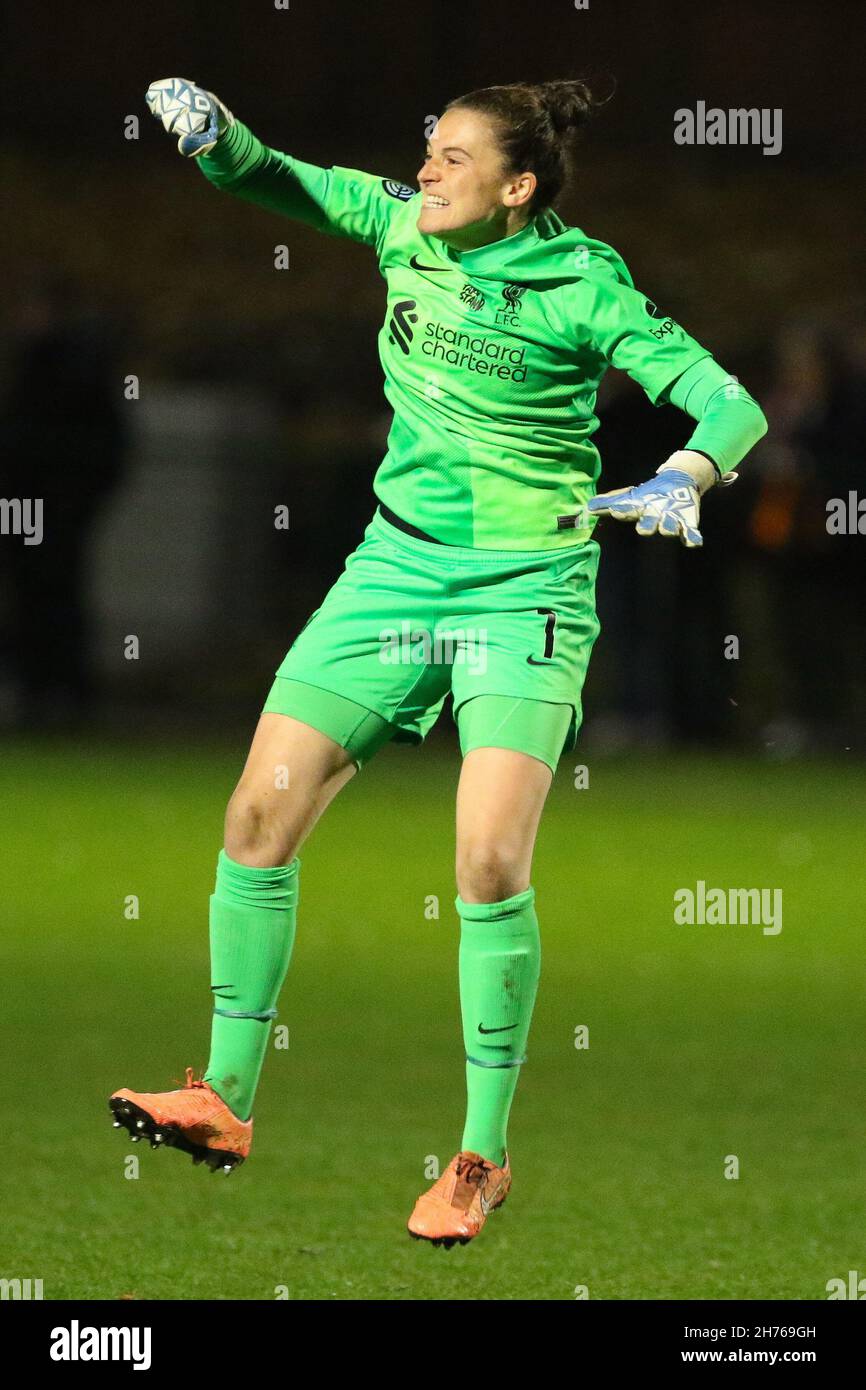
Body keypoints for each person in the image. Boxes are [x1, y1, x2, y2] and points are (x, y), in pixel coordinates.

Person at [110, 76, 767, 1247]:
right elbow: (278, 177)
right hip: (392, 576)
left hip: (527, 591)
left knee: (484, 860)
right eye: (428, 151)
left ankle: (475, 1157)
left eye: (454, 159)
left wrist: (684, 475)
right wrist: (215, 137)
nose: (426, 172)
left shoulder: (585, 284)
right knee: (255, 822)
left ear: (516, 188)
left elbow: (724, 401)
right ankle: (220, 1096)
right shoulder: (397, 225)